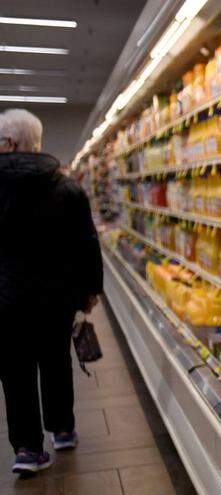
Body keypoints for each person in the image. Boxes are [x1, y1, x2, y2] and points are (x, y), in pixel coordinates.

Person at [0, 108, 102, 475]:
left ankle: (28, 449)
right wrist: (91, 290)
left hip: (6, 300)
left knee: (15, 371)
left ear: (10, 143)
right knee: (55, 360)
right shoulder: (68, 189)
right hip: (57, 298)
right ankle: (62, 429)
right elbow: (87, 244)